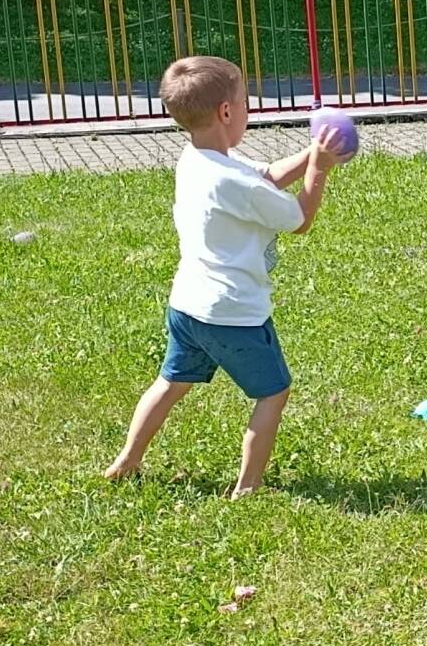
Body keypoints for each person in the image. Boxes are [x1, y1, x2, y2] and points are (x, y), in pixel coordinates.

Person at [105, 55, 346, 498]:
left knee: (170, 382)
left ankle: (127, 459)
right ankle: (247, 488)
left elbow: (268, 175)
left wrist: (313, 150)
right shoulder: (236, 183)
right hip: (233, 314)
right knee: (273, 392)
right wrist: (320, 169)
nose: (248, 110)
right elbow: (299, 219)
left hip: (188, 306)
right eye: (246, 102)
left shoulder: (199, 159)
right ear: (226, 112)